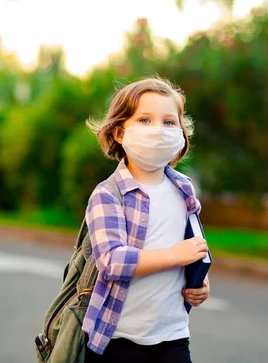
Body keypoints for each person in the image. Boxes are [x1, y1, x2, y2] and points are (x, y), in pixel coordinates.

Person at [82, 77, 211, 363]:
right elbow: (113, 261)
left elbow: (192, 247)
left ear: (181, 133)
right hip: (118, 340)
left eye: (168, 122)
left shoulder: (184, 189)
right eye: (144, 119)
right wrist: (174, 256)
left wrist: (199, 282)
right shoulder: (109, 194)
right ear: (118, 132)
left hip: (173, 336)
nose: (158, 130)